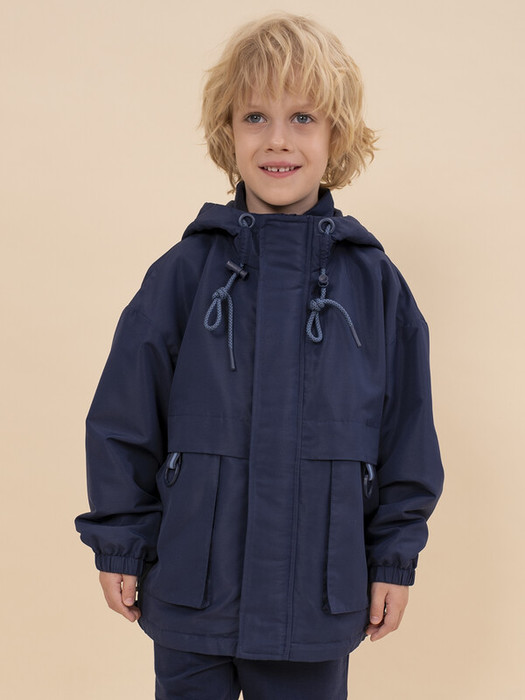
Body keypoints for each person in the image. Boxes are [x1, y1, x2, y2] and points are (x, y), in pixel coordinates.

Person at [75, 12, 444, 700]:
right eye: (255, 117)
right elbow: (125, 417)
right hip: (192, 591)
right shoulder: (184, 273)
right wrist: (120, 540)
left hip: (315, 599)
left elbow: (406, 436)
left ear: (336, 135)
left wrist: (394, 558)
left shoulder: (374, 285)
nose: (278, 140)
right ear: (228, 132)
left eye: (303, 117)